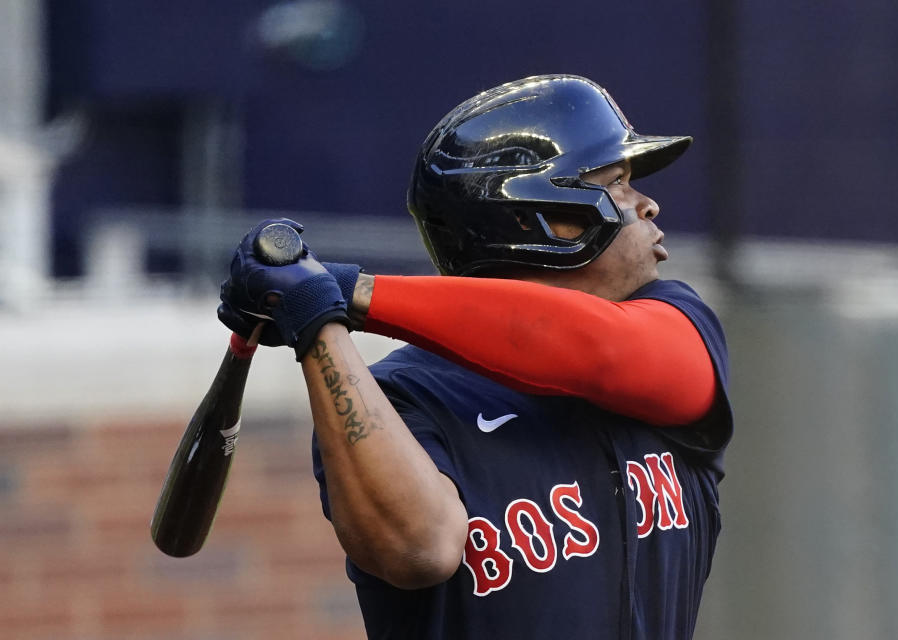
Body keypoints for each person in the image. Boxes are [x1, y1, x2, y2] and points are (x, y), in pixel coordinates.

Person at [218, 74, 733, 640]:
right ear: (537, 215)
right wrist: (316, 322)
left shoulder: (675, 321)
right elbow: (420, 549)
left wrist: (343, 290)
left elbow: (597, 350)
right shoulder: (402, 398)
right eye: (615, 183)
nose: (647, 205)